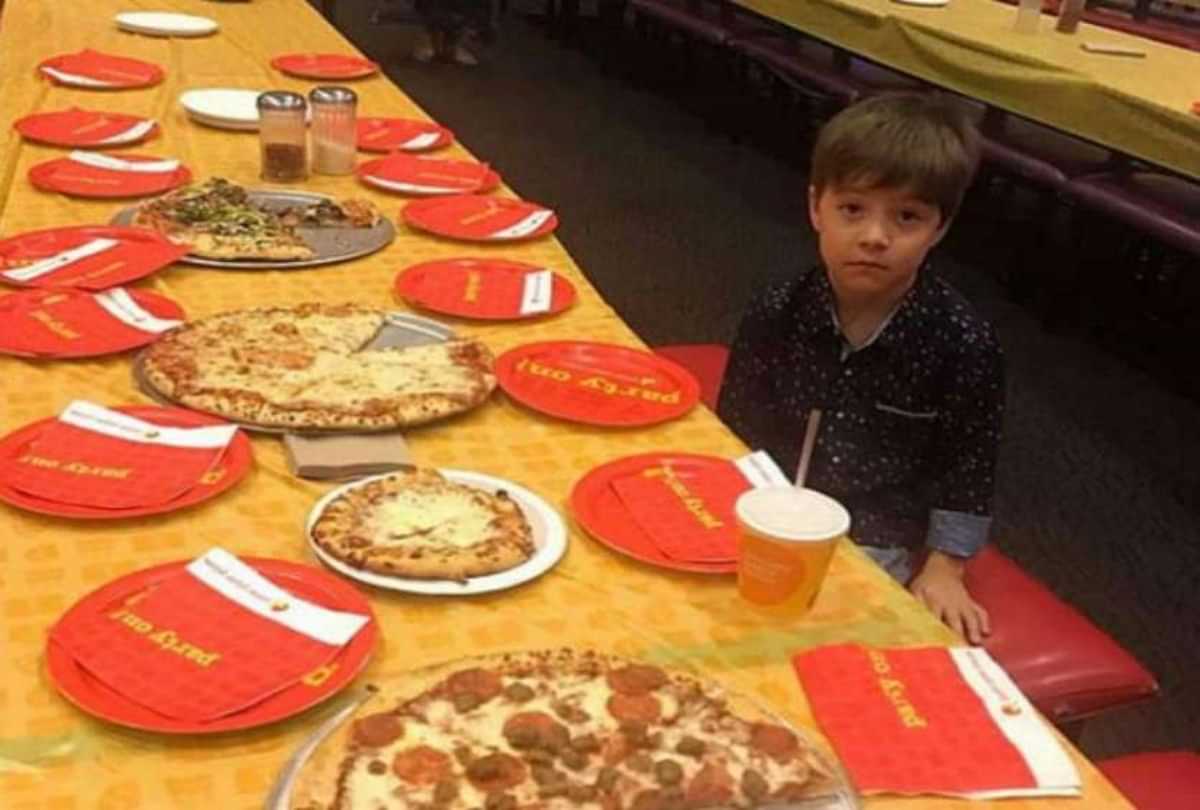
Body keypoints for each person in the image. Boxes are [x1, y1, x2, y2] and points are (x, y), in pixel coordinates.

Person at [717, 93, 1003, 645]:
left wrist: (946, 568)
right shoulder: (777, 307)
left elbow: (969, 468)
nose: (875, 236)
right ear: (816, 207)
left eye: (907, 217)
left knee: (823, 640)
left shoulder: (965, 342)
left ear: (940, 228)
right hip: (769, 505)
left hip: (876, 532)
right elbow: (735, 423)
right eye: (852, 209)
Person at [412, 0, 491, 66]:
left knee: (448, 29)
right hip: (440, 11)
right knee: (440, 28)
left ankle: (445, 54)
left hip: (448, 12)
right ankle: (441, 54)